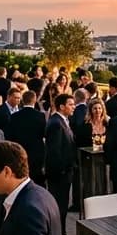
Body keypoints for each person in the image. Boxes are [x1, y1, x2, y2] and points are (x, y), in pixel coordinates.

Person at [44, 93, 78, 227]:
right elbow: (54, 151)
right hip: (59, 174)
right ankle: (60, 234)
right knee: (59, 205)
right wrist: (63, 170)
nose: (73, 107)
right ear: (62, 106)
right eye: (70, 104)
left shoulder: (62, 121)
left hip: (65, 171)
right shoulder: (56, 123)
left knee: (62, 204)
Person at [6, 89, 47, 186]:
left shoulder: (14, 116)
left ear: (22, 100)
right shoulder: (40, 116)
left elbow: (10, 135)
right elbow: (43, 134)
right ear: (35, 100)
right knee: (37, 180)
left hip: (19, 152)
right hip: (36, 153)